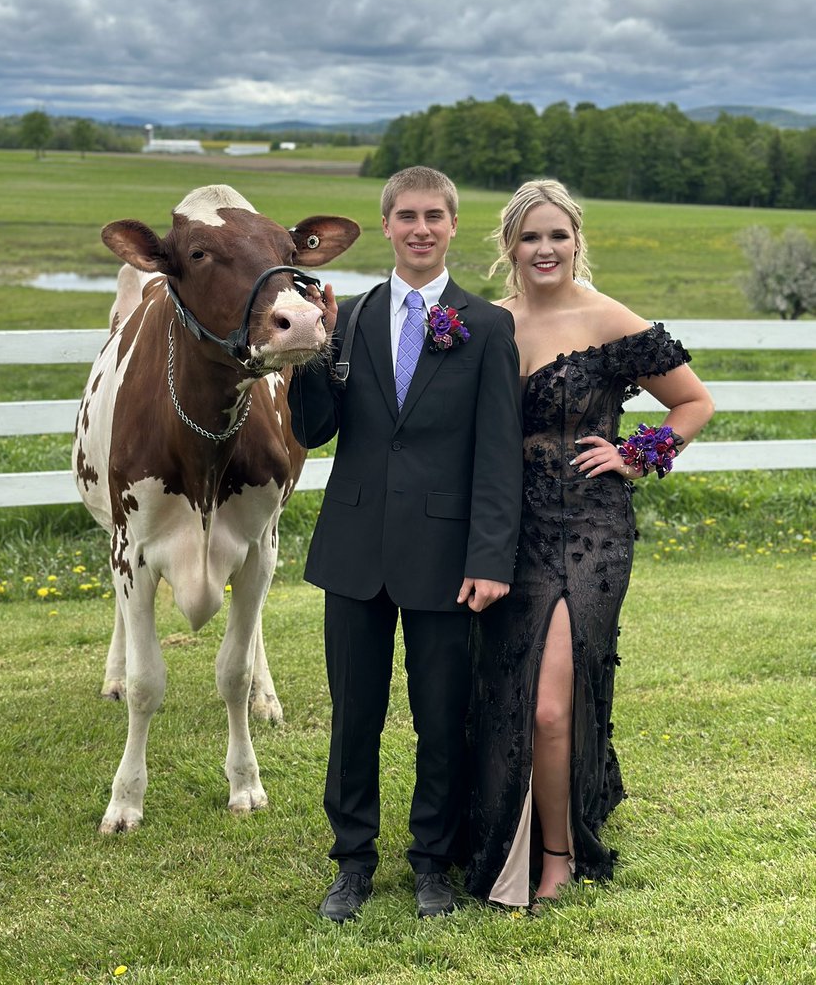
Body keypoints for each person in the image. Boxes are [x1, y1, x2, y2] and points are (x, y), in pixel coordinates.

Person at [466, 179, 714, 910]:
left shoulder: (607, 319)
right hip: (509, 533)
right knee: (506, 691)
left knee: (550, 705)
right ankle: (497, 838)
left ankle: (558, 856)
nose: (545, 249)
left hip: (590, 532)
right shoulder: (488, 323)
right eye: (530, 236)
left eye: (558, 235)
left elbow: (694, 401)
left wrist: (639, 454)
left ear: (577, 240)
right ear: (509, 244)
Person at [289, 165, 523, 922]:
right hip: (354, 550)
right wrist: (313, 355)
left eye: (434, 216)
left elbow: (497, 455)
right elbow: (312, 429)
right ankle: (352, 862)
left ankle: (431, 864)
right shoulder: (349, 316)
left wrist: (490, 558)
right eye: (406, 216)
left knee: (438, 717)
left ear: (453, 226)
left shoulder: (485, 326)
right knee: (353, 716)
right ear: (386, 225)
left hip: (446, 559)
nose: (420, 228)